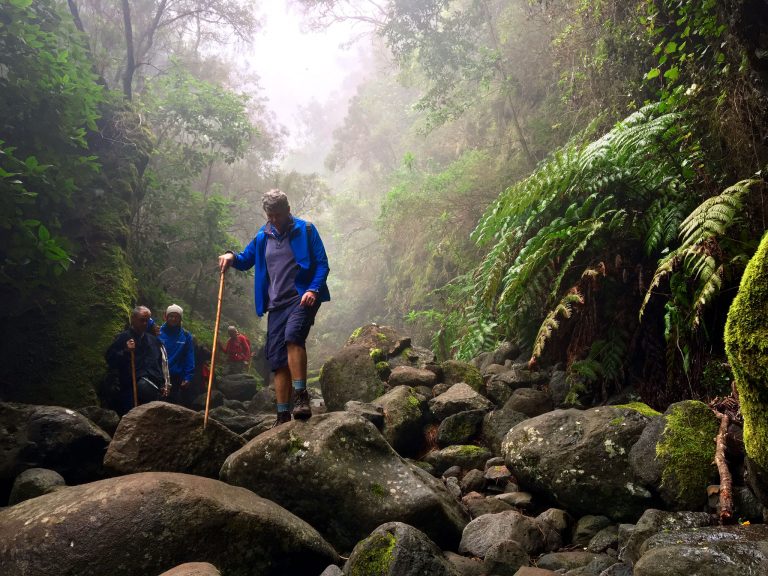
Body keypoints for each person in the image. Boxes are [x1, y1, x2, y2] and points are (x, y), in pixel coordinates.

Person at [218, 189, 330, 426]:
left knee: (293, 337)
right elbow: (246, 259)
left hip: (301, 297)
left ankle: (301, 397)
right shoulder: (263, 235)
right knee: (277, 360)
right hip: (276, 304)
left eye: (277, 215)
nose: (274, 220)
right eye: (270, 215)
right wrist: (230, 256)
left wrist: (312, 289)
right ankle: (281, 415)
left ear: (288, 211)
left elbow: (322, 264)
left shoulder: (306, 230)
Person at [105, 306, 169, 416]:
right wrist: (126, 351)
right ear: (133, 319)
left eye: (147, 320)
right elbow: (110, 359)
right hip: (130, 390)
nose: (144, 323)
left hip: (151, 389)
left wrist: (163, 383)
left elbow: (158, 363)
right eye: (142, 320)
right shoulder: (124, 337)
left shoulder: (153, 340)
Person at [158, 304, 196, 407]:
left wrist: (188, 376)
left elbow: (189, 356)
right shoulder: (158, 332)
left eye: (176, 316)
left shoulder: (186, 336)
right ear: (166, 317)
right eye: (171, 316)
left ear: (180, 318)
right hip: (158, 375)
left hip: (176, 376)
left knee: (173, 404)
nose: (173, 319)